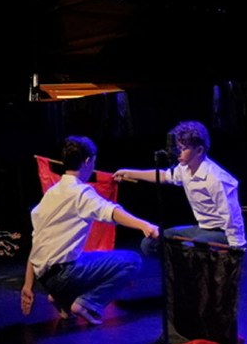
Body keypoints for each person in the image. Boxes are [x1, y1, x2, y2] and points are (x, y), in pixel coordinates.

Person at [22, 135, 160, 325]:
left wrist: (27, 285)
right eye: (93, 161)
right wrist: (144, 225)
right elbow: (110, 211)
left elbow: (36, 241)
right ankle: (87, 303)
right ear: (87, 161)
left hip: (44, 279)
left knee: (87, 257)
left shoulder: (51, 193)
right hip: (64, 276)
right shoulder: (80, 192)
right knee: (131, 260)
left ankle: (63, 299)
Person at [115, 121, 246, 254]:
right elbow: (164, 176)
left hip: (221, 233)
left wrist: (237, 247)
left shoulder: (216, 179)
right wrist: (130, 173)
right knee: (150, 242)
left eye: (183, 149)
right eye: (178, 148)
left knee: (188, 248)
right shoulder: (184, 169)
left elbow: (231, 215)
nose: (178, 153)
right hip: (201, 228)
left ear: (199, 150)